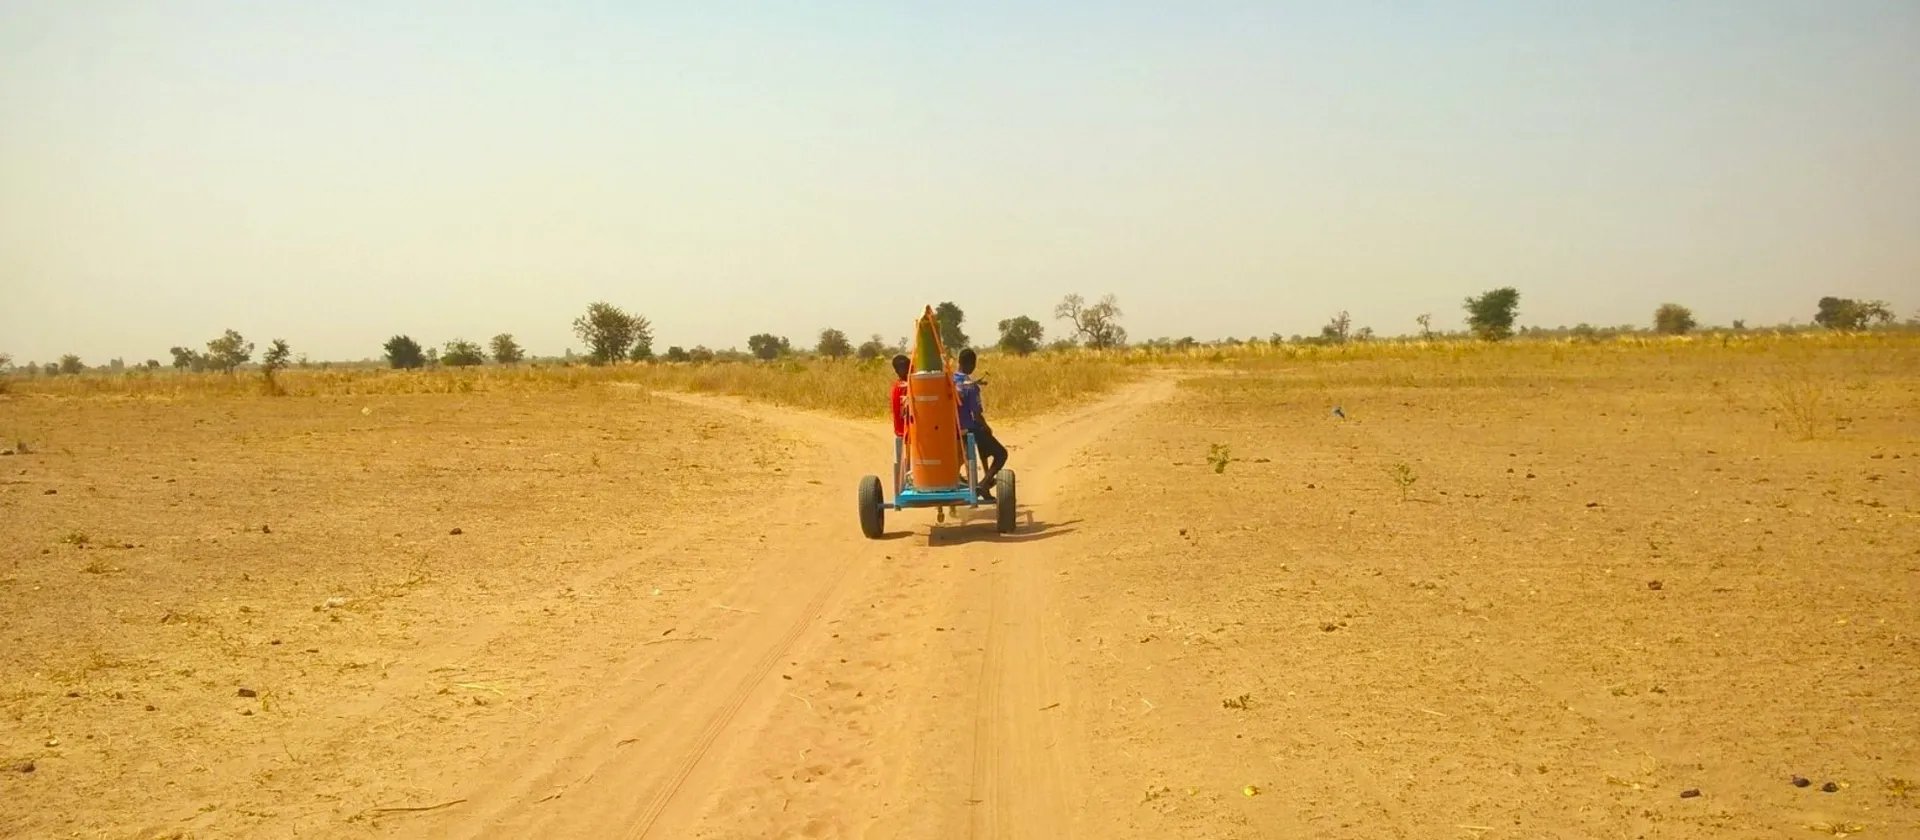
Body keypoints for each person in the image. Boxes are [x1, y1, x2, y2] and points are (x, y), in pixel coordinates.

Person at [953, 348, 1008, 500]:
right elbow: (976, 414)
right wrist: (987, 427)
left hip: (951, 430)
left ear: (959, 362)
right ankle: (984, 484)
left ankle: (984, 485)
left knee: (983, 446)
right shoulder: (971, 386)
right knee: (1001, 454)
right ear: (972, 364)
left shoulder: (948, 380)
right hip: (969, 429)